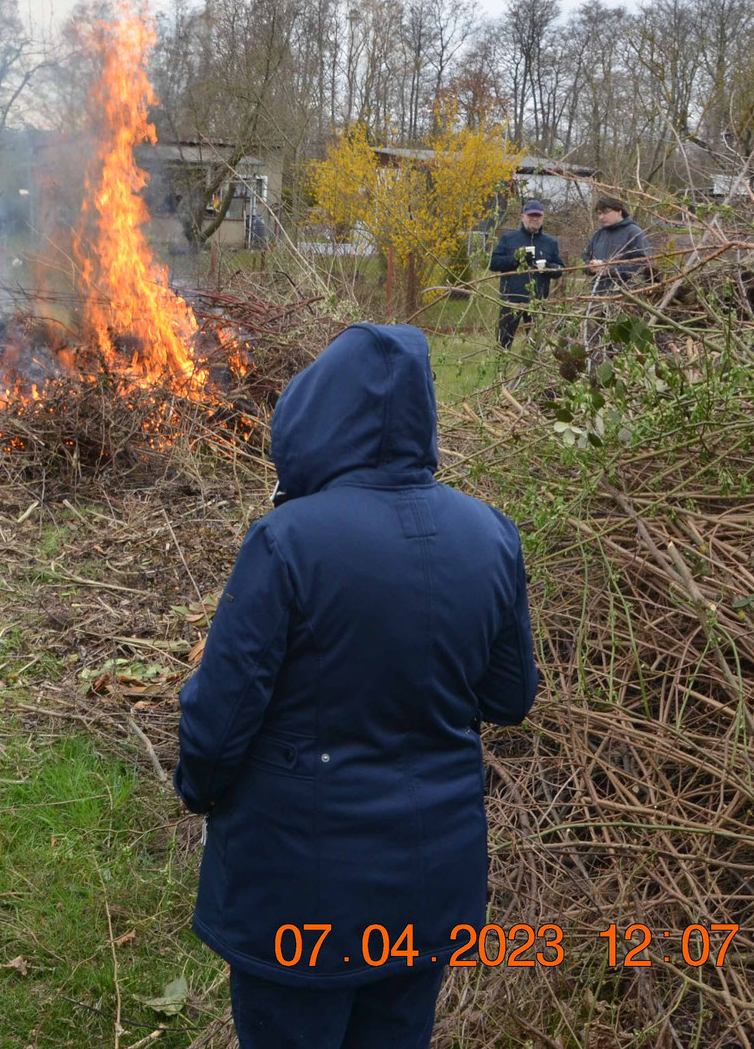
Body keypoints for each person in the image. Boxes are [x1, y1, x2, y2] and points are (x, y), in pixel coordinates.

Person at [175, 324, 539, 1049]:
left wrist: (200, 790)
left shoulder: (288, 541)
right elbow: (509, 698)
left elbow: (219, 719)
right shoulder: (492, 534)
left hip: (299, 895)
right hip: (431, 886)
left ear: (319, 417)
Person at [486, 199, 564, 349]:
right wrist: (516, 258)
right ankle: (502, 371)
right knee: (503, 343)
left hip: (537, 302)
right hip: (511, 301)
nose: (534, 219)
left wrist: (548, 267)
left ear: (543, 218)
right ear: (523, 217)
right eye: (531, 216)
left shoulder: (550, 242)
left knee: (535, 345)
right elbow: (494, 263)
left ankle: (531, 371)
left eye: (538, 216)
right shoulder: (508, 239)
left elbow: (560, 269)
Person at [583, 196, 651, 296]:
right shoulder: (597, 235)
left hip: (626, 296)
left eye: (605, 212)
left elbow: (642, 265)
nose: (601, 217)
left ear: (619, 211)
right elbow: (585, 260)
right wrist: (591, 267)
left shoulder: (634, 233)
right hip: (597, 294)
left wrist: (609, 270)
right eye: (599, 213)